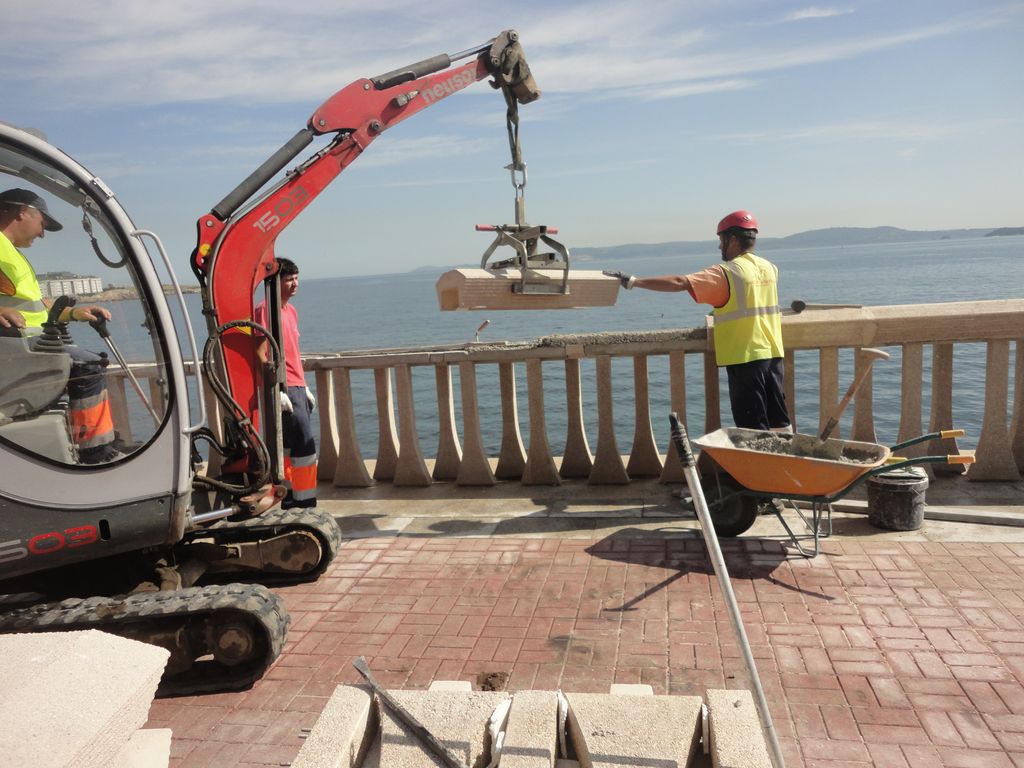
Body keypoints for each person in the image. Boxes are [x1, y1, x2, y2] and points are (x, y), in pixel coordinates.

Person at [605, 210, 790, 432]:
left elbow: (680, 282)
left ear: (731, 239)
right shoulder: (769, 268)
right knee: (779, 422)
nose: (719, 247)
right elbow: (752, 304)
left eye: (720, 240)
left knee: (752, 428)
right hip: (773, 355)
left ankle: (757, 466)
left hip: (746, 358)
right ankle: (787, 464)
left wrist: (633, 281)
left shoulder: (727, 272)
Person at [0, 187, 119, 463]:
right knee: (88, 367)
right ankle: (96, 453)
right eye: (43, 223)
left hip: (24, 346)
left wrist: (75, 313)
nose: (42, 233)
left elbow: (36, 309)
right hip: (16, 350)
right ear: (22, 212)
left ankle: (82, 445)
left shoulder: (11, 254)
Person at [255, 257, 318, 509]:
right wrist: (276, 389)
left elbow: (292, 351)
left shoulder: (290, 311)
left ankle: (291, 497)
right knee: (304, 444)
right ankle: (305, 500)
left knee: (291, 447)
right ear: (275, 282)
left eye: (296, 278)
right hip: (284, 387)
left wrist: (305, 387)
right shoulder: (264, 309)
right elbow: (259, 352)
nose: (295, 284)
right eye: (289, 279)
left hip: (297, 385)